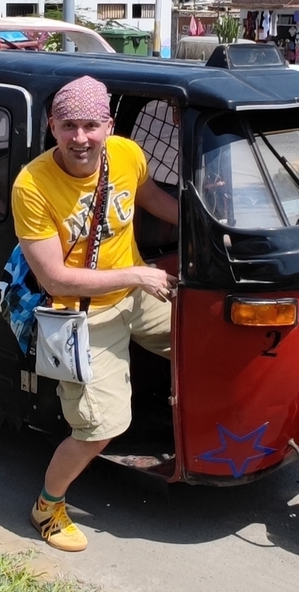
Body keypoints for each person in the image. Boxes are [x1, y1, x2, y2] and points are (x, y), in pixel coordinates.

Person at [12, 76, 179, 552]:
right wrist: (137, 277)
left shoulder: (126, 155)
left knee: (208, 339)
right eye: (68, 126)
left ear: (107, 125)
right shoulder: (33, 186)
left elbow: (151, 199)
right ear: (52, 127)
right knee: (98, 428)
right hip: (80, 316)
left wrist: (206, 221)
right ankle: (48, 506)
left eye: (90, 125)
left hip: (134, 294)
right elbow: (56, 280)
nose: (79, 137)